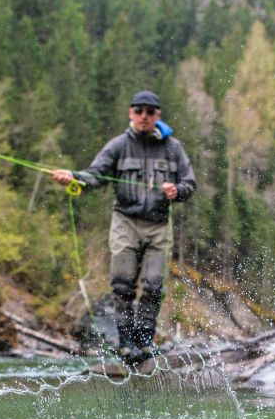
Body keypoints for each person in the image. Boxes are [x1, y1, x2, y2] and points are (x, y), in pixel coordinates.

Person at [51, 90, 196, 365]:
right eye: (139, 111)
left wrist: (177, 190)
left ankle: (145, 340)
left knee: (154, 285)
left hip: (158, 225)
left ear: (157, 115)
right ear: (131, 113)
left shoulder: (173, 148)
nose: (144, 116)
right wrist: (73, 178)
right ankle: (126, 343)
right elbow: (95, 176)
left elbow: (190, 183)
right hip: (125, 222)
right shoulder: (118, 145)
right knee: (122, 282)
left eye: (149, 112)